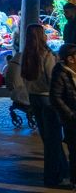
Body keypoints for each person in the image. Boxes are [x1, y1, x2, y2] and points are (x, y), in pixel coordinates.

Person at [23, 22, 68, 185]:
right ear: (40, 36)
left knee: (48, 138)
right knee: (53, 140)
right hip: (48, 99)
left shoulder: (26, 55)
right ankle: (51, 177)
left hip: (34, 97)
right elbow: (53, 79)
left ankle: (64, 170)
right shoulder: (47, 55)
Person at [50, 43, 76, 177]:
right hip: (71, 120)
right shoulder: (60, 72)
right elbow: (55, 97)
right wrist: (71, 115)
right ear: (70, 59)